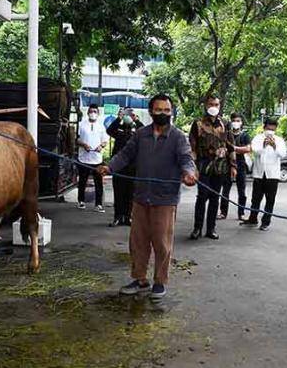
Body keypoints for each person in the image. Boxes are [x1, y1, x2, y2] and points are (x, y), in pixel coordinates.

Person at [100, 94, 197, 301]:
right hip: (141, 196)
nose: (163, 113)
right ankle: (139, 279)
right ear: (151, 111)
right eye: (159, 109)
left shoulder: (178, 137)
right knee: (138, 242)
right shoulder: (140, 134)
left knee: (162, 243)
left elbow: (186, 158)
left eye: (167, 110)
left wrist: (189, 173)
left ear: (171, 112)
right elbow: (125, 155)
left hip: (165, 199)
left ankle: (160, 281)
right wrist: (109, 167)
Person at [189, 96, 235, 240]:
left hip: (220, 167)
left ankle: (211, 229)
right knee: (202, 197)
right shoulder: (198, 124)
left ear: (220, 105)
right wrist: (193, 167)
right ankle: (197, 228)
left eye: (216, 104)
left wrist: (233, 166)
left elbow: (231, 146)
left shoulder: (225, 124)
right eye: (211, 104)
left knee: (215, 198)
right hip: (203, 165)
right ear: (205, 105)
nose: (213, 106)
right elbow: (192, 147)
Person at [241, 118, 286, 231]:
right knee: (255, 198)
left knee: (270, 199)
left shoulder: (279, 140)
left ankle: (266, 222)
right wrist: (264, 145)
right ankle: (253, 218)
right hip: (259, 173)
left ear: (275, 128)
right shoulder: (258, 138)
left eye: (272, 128)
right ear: (264, 127)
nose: (270, 131)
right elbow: (255, 151)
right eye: (268, 128)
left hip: (273, 175)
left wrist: (274, 146)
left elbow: (282, 154)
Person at [106, 107, 144, 226]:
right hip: (119, 166)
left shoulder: (137, 129)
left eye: (130, 113)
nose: (128, 115)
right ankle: (118, 216)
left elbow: (144, 132)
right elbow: (109, 130)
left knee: (131, 192)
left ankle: (128, 217)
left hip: (133, 166)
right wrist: (119, 118)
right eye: (126, 113)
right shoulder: (119, 128)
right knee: (118, 191)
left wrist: (136, 120)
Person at [219, 113, 252, 221]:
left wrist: (233, 148)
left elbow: (248, 149)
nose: (236, 123)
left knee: (241, 191)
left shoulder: (244, 135)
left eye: (238, 120)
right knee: (225, 190)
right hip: (227, 164)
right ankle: (223, 212)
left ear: (241, 122)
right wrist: (235, 149)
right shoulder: (227, 135)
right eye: (234, 120)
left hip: (241, 164)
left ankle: (241, 213)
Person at [76, 104, 108, 212]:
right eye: (91, 111)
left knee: (98, 183)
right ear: (87, 112)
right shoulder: (81, 125)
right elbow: (77, 139)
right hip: (83, 158)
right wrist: (84, 145)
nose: (93, 113)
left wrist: (101, 146)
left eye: (95, 111)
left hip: (97, 159)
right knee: (82, 181)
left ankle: (98, 204)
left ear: (98, 113)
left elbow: (104, 141)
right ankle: (81, 201)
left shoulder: (101, 126)